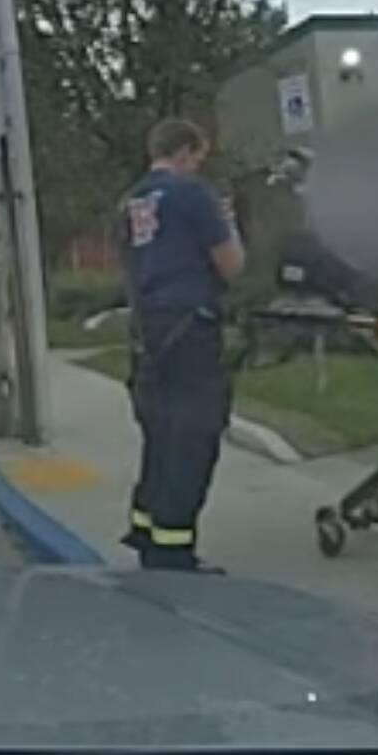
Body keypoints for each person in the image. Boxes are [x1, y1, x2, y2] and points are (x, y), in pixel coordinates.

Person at [117, 117, 245, 571]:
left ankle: (147, 529)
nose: (199, 166)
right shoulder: (193, 194)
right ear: (187, 151)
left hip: (147, 332)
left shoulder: (132, 201)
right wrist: (229, 222)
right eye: (199, 157)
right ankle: (174, 552)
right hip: (190, 328)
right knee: (193, 439)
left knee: (160, 435)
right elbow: (230, 265)